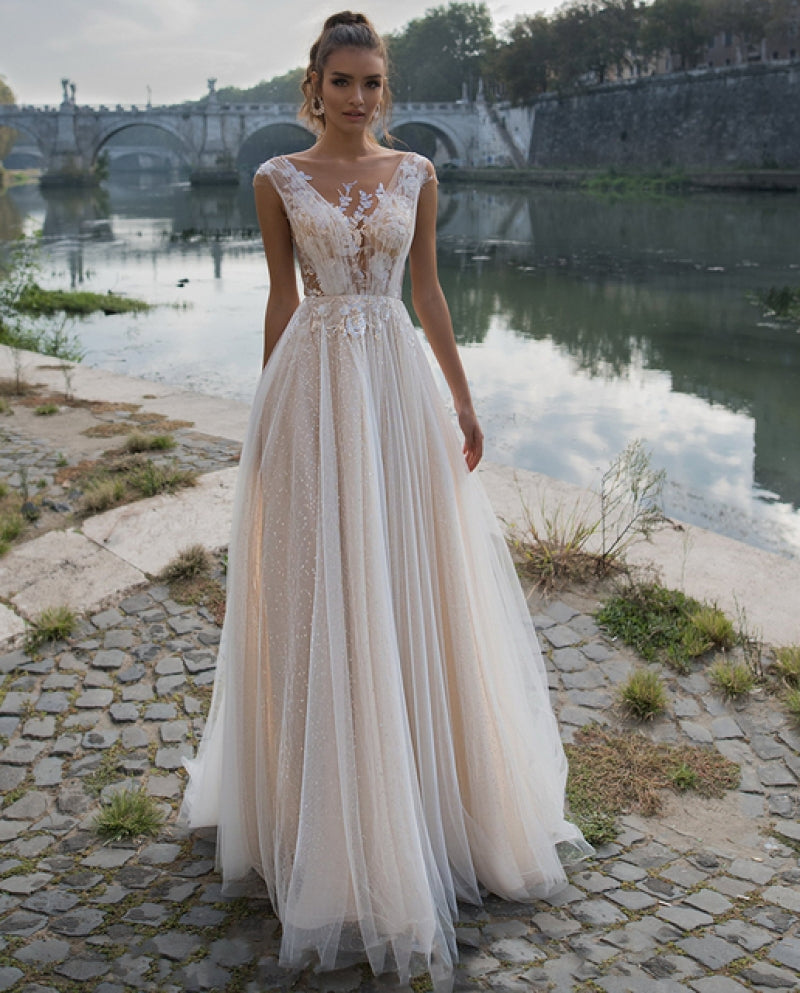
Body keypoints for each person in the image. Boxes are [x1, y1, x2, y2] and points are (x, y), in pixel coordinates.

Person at [179, 11, 591, 991]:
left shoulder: (417, 174)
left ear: (384, 92)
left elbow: (429, 295)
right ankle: (327, 817)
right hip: (315, 390)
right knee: (324, 585)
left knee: (414, 582)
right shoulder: (275, 180)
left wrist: (462, 397)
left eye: (372, 83)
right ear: (312, 85)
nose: (358, 99)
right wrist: (268, 415)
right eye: (342, 82)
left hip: (398, 395)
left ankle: (429, 802)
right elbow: (279, 302)